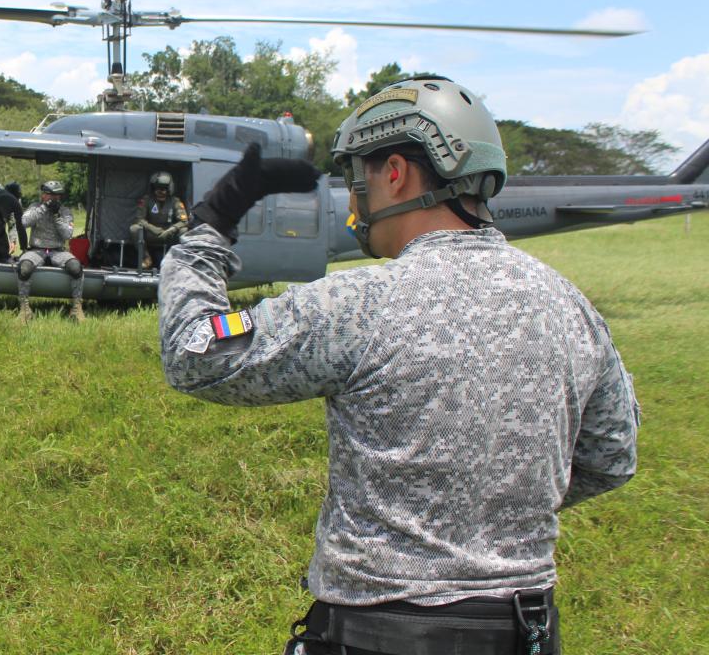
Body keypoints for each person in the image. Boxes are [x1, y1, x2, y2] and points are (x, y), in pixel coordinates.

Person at [158, 76, 639, 655]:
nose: (354, 197)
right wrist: (496, 500)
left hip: (379, 634)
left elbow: (194, 353)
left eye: (354, 177)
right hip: (525, 631)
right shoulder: (570, 305)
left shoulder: (355, 304)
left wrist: (211, 225)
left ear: (395, 172)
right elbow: (611, 457)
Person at [17, 180, 85, 323]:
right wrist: (44, 208)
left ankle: (77, 308)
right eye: (51, 195)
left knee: (76, 267)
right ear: (43, 195)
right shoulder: (35, 207)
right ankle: (25, 309)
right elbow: (24, 222)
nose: (54, 198)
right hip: (36, 250)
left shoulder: (65, 212)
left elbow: (67, 234)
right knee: (24, 268)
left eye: (57, 195)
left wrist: (56, 216)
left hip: (58, 251)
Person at [128, 170, 188, 268]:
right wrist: (153, 229)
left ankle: (177, 261)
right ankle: (146, 258)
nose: (160, 192)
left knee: (184, 231)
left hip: (169, 234)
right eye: (157, 189)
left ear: (169, 189)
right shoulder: (146, 200)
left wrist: (171, 230)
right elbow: (139, 219)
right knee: (134, 228)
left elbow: (184, 221)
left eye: (164, 189)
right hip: (151, 233)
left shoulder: (175, 201)